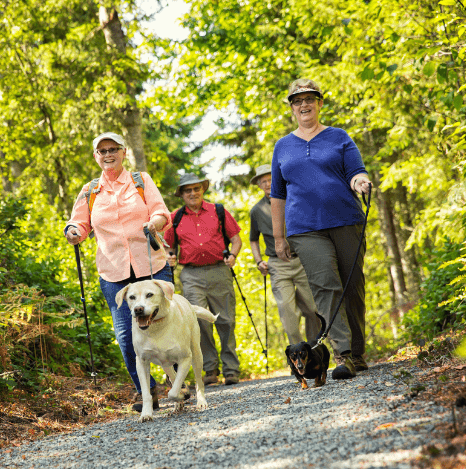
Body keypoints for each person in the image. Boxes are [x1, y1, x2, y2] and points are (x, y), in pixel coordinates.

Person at [270, 79, 372, 380]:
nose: (304, 105)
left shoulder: (338, 137)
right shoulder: (283, 146)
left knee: (352, 287)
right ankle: (343, 354)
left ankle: (358, 352)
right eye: (297, 100)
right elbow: (278, 194)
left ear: (319, 103)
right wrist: (279, 236)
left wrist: (361, 182)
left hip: (346, 220)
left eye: (310, 99)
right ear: (291, 107)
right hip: (304, 228)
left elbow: (356, 172)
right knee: (326, 286)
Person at [64, 132, 172, 412]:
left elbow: (161, 211)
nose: (108, 154)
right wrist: (74, 232)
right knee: (126, 336)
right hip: (114, 273)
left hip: (151, 265)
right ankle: (146, 392)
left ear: (124, 152)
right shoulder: (90, 191)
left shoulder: (141, 181)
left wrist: (156, 222)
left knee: (166, 325)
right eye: (102, 151)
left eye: (113, 149)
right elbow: (79, 223)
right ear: (95, 156)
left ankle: (177, 381)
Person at [164, 173, 243, 386]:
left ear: (203, 190)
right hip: (191, 274)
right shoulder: (175, 218)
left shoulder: (218, 211)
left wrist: (233, 255)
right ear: (181, 194)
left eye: (196, 189)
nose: (192, 193)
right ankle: (210, 369)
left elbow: (236, 239)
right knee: (200, 321)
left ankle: (231, 369)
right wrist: (169, 255)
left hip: (219, 270)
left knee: (226, 320)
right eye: (187, 190)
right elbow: (168, 246)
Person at [249, 164, 321, 346]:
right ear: (258, 184)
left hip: (302, 259)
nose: (267, 184)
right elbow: (253, 239)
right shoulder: (256, 211)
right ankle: (298, 352)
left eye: (270, 179)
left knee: (313, 309)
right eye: (263, 181)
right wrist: (259, 261)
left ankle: (314, 348)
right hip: (277, 264)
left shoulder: (295, 199)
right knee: (288, 311)